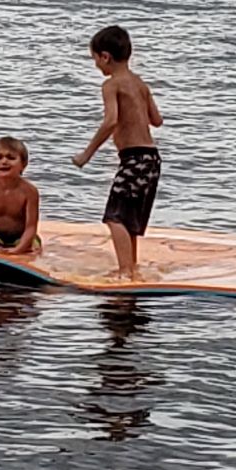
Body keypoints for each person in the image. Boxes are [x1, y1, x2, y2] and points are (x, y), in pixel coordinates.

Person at [72, 23, 163, 279]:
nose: (95, 65)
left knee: (115, 217)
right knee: (129, 217)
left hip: (134, 158)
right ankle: (130, 267)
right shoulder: (140, 83)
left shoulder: (111, 85)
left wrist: (87, 154)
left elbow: (111, 120)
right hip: (152, 159)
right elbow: (157, 120)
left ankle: (125, 271)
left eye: (94, 59)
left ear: (105, 57)